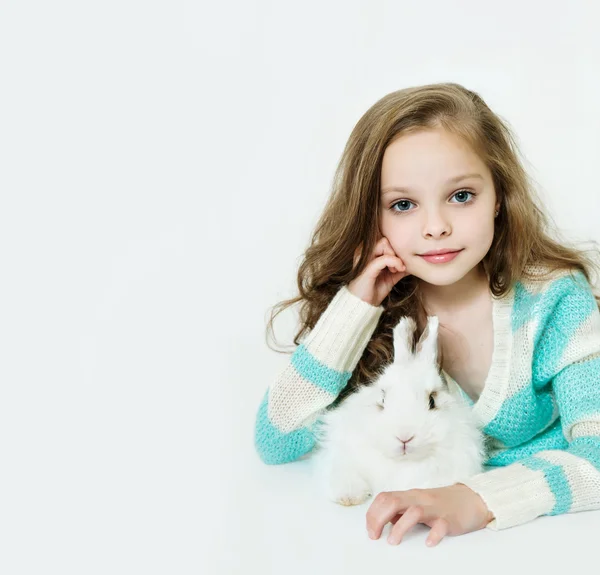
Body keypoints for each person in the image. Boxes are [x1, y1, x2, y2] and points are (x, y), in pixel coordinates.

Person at [253, 82, 600, 546]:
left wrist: (474, 499)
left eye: (461, 195)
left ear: (499, 195)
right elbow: (277, 440)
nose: (436, 226)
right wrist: (355, 308)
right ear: (373, 217)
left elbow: (595, 454)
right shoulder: (378, 317)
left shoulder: (555, 301)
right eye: (403, 204)